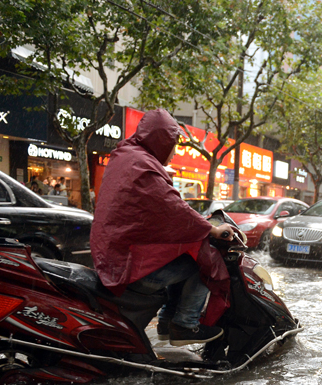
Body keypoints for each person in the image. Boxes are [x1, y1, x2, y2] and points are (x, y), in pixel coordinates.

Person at [91, 108, 237, 346]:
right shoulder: (142, 164)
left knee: (182, 256)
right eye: (173, 142)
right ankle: (185, 325)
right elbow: (172, 208)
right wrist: (213, 229)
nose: (174, 150)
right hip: (125, 265)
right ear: (161, 140)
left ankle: (166, 323)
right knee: (206, 262)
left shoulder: (126, 155)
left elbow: (159, 211)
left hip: (111, 254)